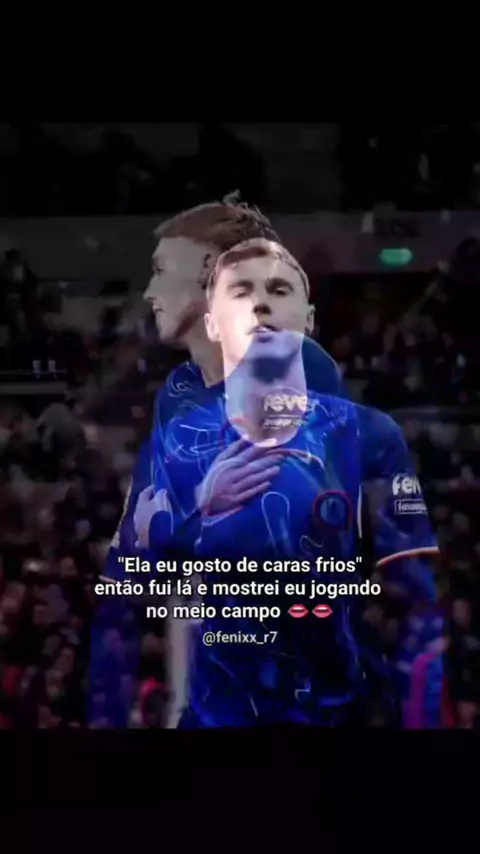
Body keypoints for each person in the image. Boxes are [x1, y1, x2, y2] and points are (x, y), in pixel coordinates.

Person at [145, 238, 444, 728]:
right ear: (213, 323)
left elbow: (412, 591)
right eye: (242, 291)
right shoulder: (180, 441)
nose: (261, 304)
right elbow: (176, 591)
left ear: (308, 320)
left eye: (279, 290)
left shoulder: (370, 434)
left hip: (339, 709)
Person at [88, 196, 343, 727]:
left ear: (210, 273)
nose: (150, 292)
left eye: (162, 271)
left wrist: (180, 525)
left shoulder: (297, 369)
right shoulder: (176, 394)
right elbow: (136, 561)